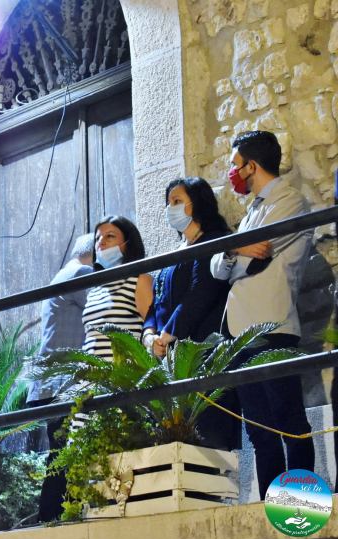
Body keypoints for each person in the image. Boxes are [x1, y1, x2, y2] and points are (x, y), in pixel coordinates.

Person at [210, 130, 314, 498]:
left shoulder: (290, 200)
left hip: (272, 324)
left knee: (289, 421)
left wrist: (234, 254)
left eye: (235, 165)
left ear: (251, 166)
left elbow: (262, 255)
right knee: (259, 429)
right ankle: (272, 506)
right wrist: (236, 249)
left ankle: (301, 506)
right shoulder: (252, 211)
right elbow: (217, 268)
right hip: (240, 330)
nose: (232, 173)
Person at [142, 177, 238, 450]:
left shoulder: (213, 241)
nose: (170, 208)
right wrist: (149, 336)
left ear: (198, 203)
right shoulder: (173, 254)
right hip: (171, 359)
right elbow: (155, 304)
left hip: (204, 354)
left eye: (177, 201)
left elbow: (201, 292)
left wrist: (167, 334)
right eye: (168, 202)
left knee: (210, 439)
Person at [25, 233, 94, 523]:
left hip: (50, 383)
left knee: (59, 452)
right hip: (64, 382)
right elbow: (103, 306)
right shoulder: (80, 273)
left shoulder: (62, 274)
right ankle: (54, 517)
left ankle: (51, 517)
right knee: (65, 452)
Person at [82, 215, 153, 361]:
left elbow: (152, 327)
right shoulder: (94, 291)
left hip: (125, 372)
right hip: (91, 374)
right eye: (97, 238)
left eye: (110, 236)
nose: (101, 242)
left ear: (128, 243)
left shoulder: (140, 280)